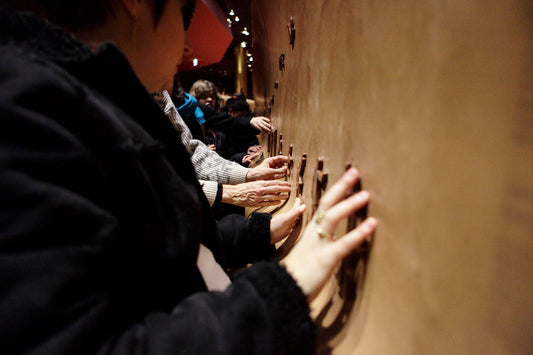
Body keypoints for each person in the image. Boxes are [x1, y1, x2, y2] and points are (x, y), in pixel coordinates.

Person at [0, 1, 377, 354]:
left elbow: (152, 239)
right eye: (187, 18)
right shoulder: (30, 108)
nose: (186, 45)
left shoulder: (94, 94)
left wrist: (255, 232)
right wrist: (273, 298)